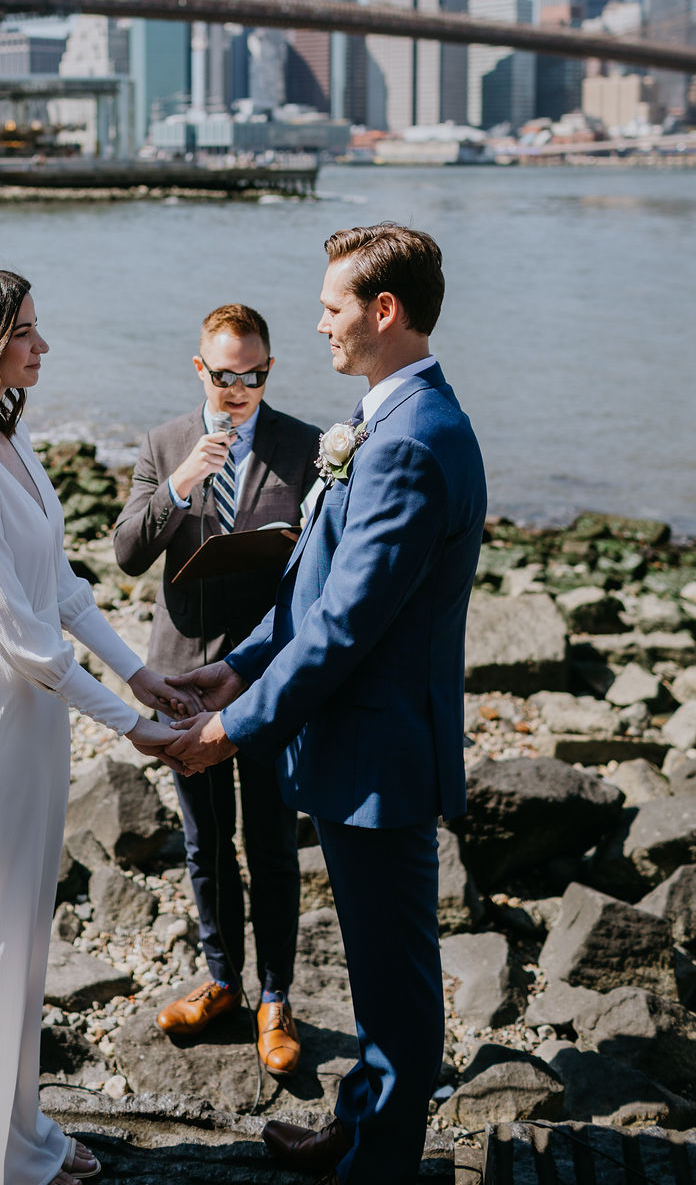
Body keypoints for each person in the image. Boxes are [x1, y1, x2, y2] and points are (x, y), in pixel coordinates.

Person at [163, 225, 486, 1185]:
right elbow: (314, 591)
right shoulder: (385, 422)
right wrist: (236, 669)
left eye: (333, 307)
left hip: (381, 756)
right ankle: (360, 1126)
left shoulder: (413, 443)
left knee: (395, 973)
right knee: (376, 967)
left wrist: (232, 727)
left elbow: (346, 627)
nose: (320, 324)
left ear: (384, 311)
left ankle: (378, 1166)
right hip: (357, 748)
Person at [0, 265, 188, 1185]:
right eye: (25, 331)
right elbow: (22, 638)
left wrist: (144, 675)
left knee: (24, 944)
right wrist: (130, 726)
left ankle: (18, 1140)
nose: (43, 344)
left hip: (34, 713)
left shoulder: (5, 440)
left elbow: (61, 591)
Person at [113, 304, 320, 1072]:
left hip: (268, 679)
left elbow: (321, 568)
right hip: (181, 679)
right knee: (205, 845)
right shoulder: (164, 443)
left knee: (271, 844)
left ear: (269, 370)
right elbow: (129, 554)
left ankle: (277, 998)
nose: (241, 389)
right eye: (227, 375)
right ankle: (222, 980)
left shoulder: (305, 446)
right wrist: (180, 484)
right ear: (201, 369)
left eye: (256, 375)